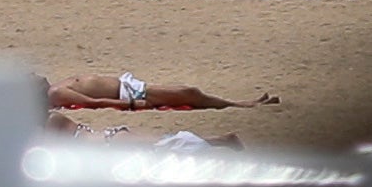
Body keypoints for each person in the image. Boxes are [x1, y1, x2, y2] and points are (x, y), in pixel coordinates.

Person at [45, 74, 276, 111]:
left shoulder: (57, 85)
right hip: (129, 94)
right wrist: (134, 105)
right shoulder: (55, 93)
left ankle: (242, 103)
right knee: (190, 93)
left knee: (189, 93)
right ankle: (243, 105)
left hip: (130, 86)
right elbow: (93, 103)